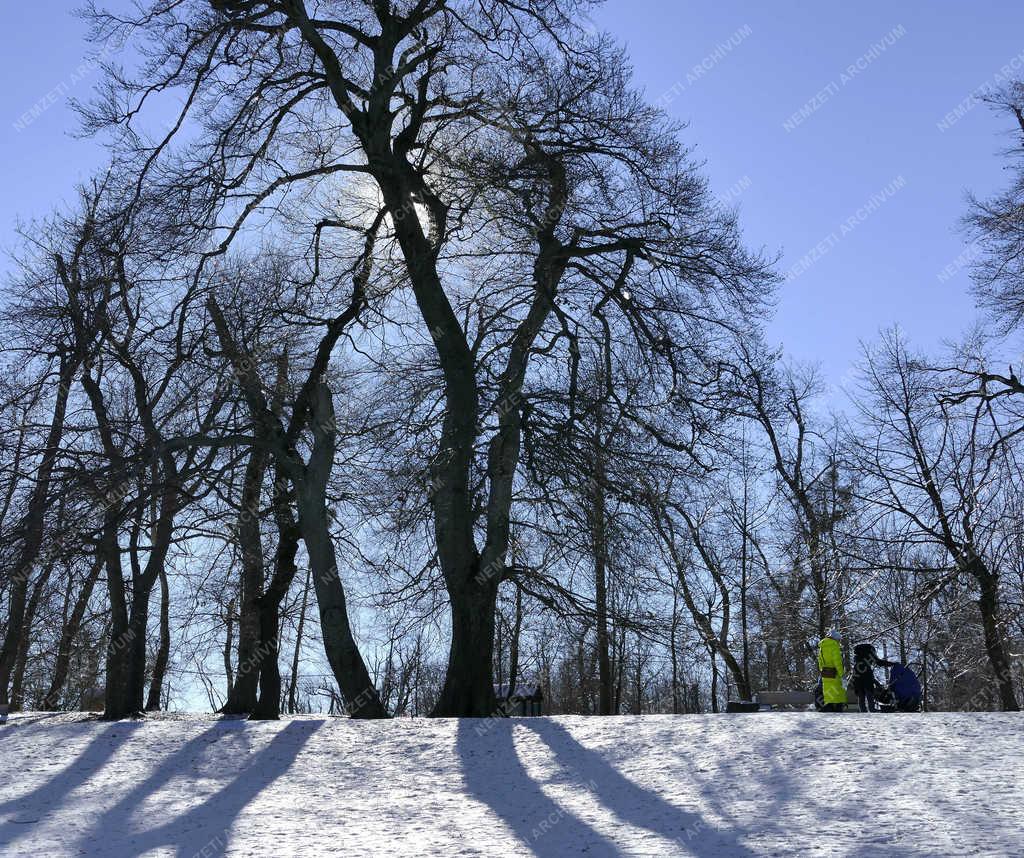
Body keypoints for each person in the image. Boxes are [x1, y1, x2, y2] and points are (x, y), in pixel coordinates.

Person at [852, 643, 897, 713]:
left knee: (861, 696)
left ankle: (863, 711)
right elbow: (879, 662)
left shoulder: (857, 657)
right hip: (867, 676)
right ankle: (872, 709)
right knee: (869, 693)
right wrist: (892, 664)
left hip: (856, 675)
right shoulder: (869, 655)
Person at [817, 630, 846, 712]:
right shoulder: (834, 646)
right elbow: (837, 662)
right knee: (838, 694)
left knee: (828, 694)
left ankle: (829, 710)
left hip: (826, 673)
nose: (839, 641)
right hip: (835, 674)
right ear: (836, 639)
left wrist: (822, 670)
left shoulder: (821, 647)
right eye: (839, 640)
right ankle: (838, 711)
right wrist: (842, 675)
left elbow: (820, 661)